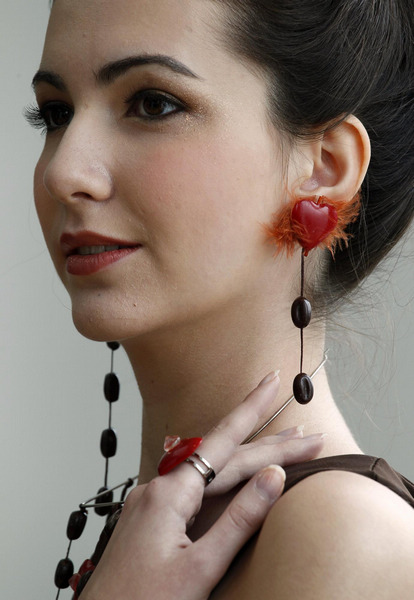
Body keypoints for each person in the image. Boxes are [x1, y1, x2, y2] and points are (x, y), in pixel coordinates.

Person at [27, 0, 414, 598]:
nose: (64, 172)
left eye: (153, 104)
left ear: (325, 167)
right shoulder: (139, 535)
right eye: (55, 113)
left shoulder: (342, 535)